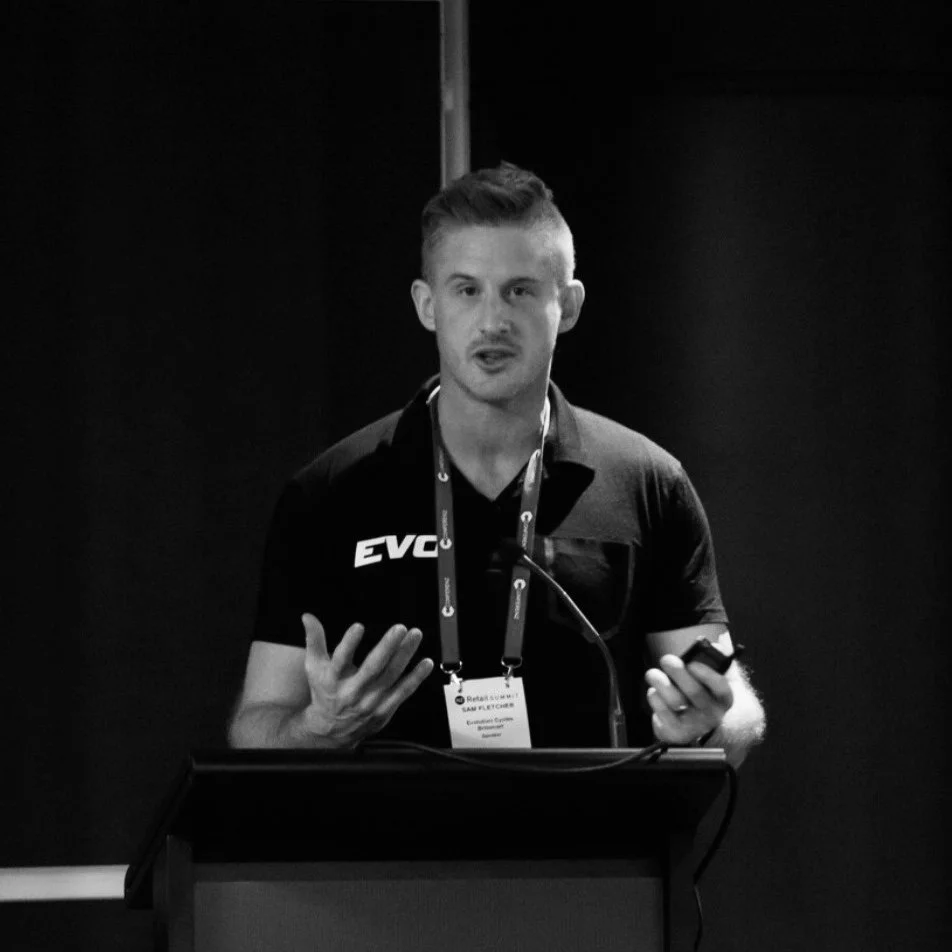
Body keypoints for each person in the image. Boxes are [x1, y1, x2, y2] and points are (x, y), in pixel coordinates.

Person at [228, 162, 765, 766]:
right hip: (391, 855)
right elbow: (257, 725)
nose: (493, 322)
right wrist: (319, 729)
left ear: (567, 304)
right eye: (466, 289)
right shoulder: (330, 492)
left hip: (594, 854)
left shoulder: (647, 481)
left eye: (520, 290)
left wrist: (708, 722)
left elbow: (734, 711)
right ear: (427, 305)